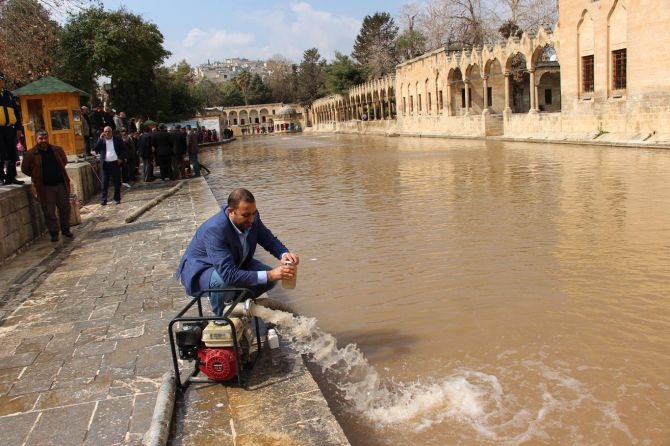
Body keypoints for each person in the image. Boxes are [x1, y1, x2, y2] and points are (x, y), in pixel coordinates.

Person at [176, 188, 299, 316]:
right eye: (246, 215)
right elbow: (228, 274)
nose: (251, 219)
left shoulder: (252, 218)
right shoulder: (215, 230)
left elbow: (268, 239)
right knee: (223, 282)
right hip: (205, 269)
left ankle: (239, 306)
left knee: (269, 279)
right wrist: (271, 274)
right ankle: (222, 317)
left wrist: (284, 254)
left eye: (254, 213)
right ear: (231, 212)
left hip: (235, 261)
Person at [20, 130, 74, 242]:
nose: (43, 140)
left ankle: (66, 229)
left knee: (65, 208)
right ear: (36, 139)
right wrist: (36, 175)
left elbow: (63, 161)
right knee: (49, 212)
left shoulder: (56, 150)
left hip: (60, 184)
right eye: (41, 138)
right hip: (45, 187)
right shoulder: (31, 154)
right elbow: (25, 169)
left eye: (45, 138)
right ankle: (54, 233)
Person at [0, 72, 25, 185]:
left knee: (12, 153)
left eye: (1, 79)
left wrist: (18, 128)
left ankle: (11, 177)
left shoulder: (8, 94)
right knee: (1, 153)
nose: (1, 82)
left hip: (10, 128)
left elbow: (16, 112)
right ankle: (1, 178)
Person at [94, 125, 127, 205]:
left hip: (115, 163)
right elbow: (96, 148)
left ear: (111, 132)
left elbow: (124, 150)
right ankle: (103, 199)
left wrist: (120, 158)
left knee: (117, 182)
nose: (107, 133)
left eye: (109, 131)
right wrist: (100, 139)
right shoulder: (102, 140)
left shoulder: (117, 139)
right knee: (104, 183)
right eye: (105, 131)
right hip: (105, 164)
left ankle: (117, 198)